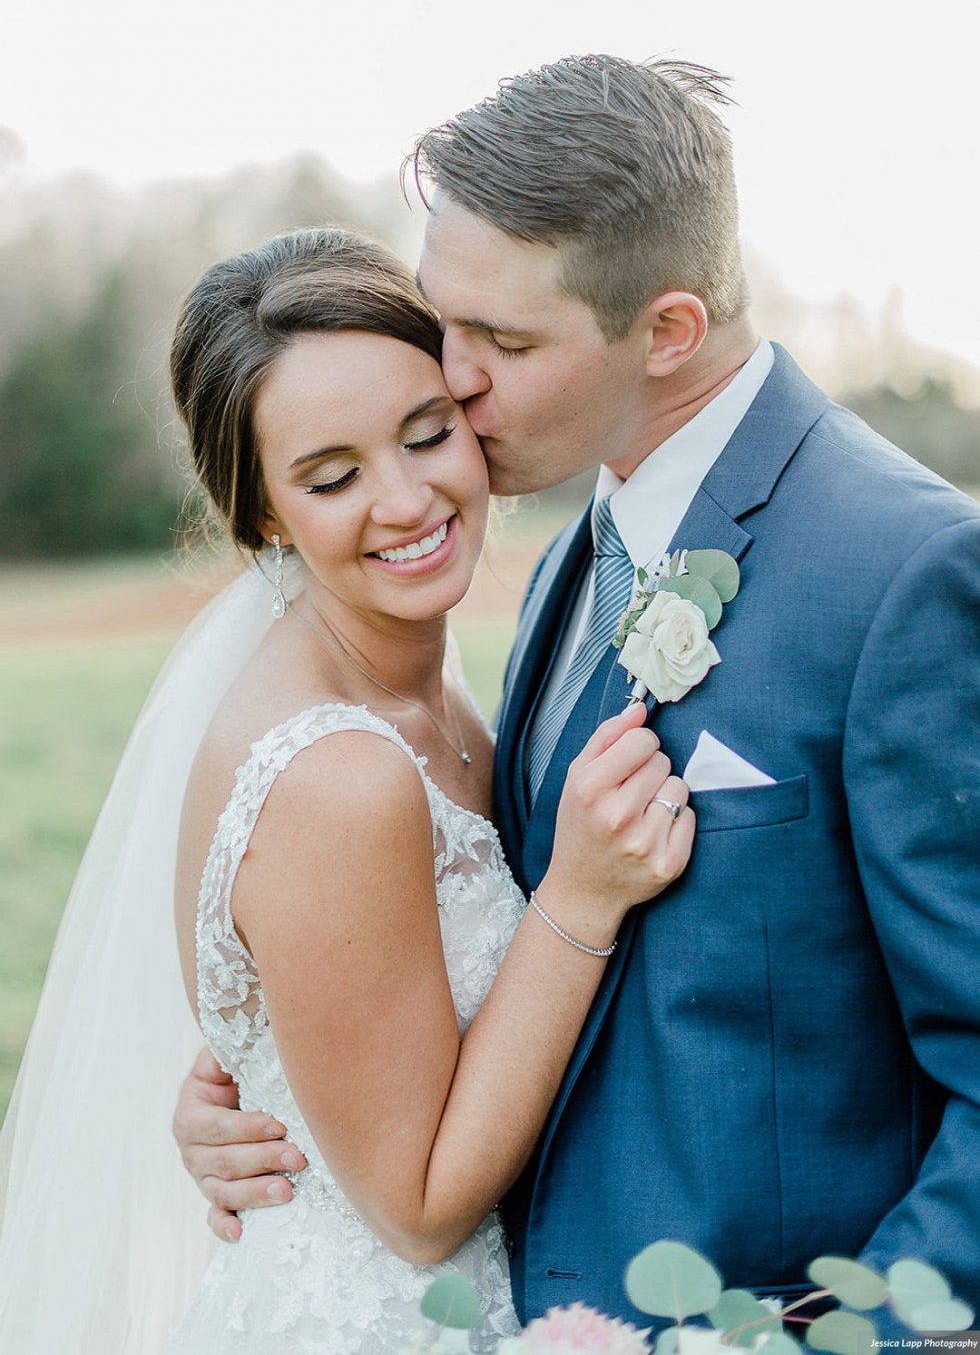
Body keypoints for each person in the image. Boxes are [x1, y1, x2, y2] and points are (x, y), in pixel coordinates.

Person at [175, 56, 980, 1330]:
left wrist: (859, 1333)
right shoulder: (564, 560)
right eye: (445, 317)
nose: (449, 374)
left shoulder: (904, 573)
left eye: (502, 341)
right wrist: (293, 1085)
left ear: (664, 329)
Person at [0, 224, 695, 1354]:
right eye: (331, 476)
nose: (407, 499)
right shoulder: (337, 772)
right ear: (265, 511)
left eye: (426, 434)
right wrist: (578, 894)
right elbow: (417, 1207)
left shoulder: (431, 680)